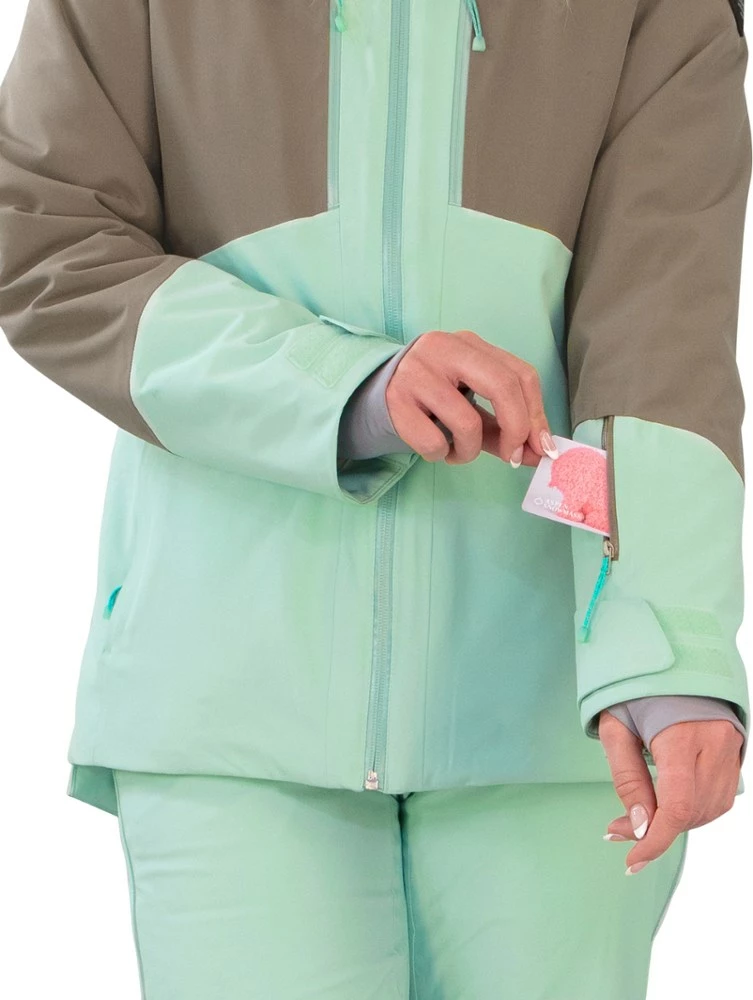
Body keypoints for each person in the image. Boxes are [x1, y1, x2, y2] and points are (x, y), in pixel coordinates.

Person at [0, 0, 749, 996]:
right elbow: (43, 238)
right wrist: (344, 389)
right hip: (231, 690)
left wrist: (664, 643)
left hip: (555, 706)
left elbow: (661, 330)